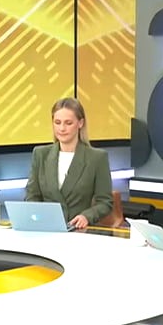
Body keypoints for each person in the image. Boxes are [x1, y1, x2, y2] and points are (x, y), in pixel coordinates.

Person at [25, 97, 113, 230]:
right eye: (57, 122)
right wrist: (39, 216)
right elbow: (32, 195)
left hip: (79, 231)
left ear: (80, 123)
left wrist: (86, 216)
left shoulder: (97, 158)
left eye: (68, 123)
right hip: (46, 229)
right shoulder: (40, 155)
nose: (62, 128)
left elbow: (105, 202)